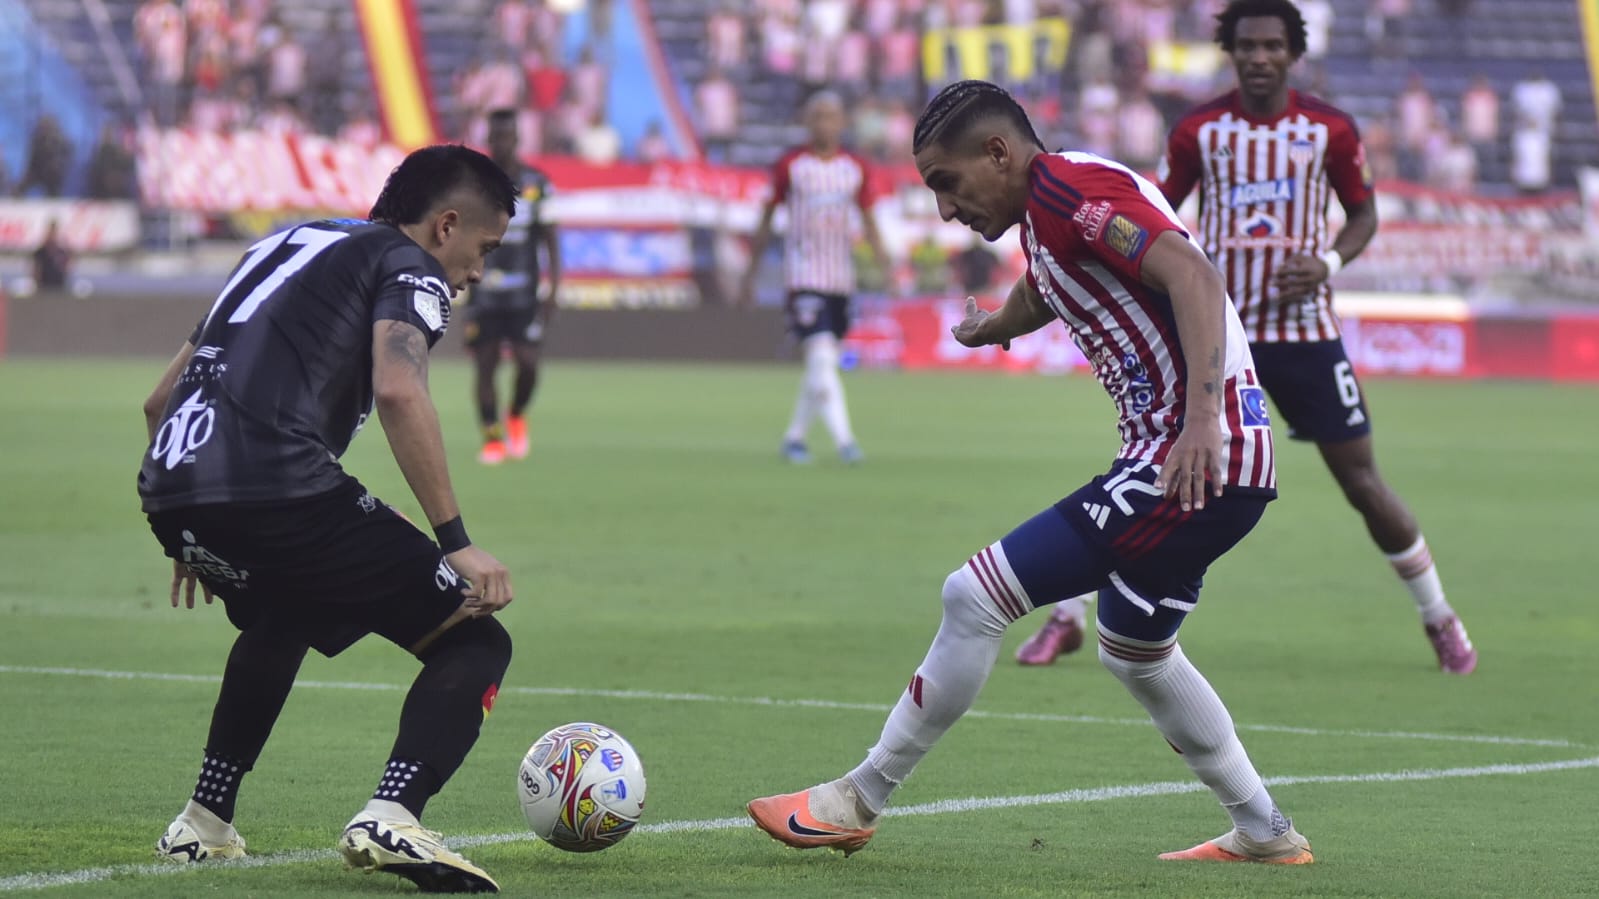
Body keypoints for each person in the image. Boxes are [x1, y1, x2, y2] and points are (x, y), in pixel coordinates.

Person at [748, 79, 1313, 865]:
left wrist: (1196, 421)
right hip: (1214, 460)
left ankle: (857, 796)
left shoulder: (1068, 195)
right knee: (1135, 650)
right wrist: (993, 327)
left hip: (1188, 457)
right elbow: (1047, 284)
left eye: (946, 183)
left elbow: (1190, 273)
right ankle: (1264, 830)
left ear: (998, 152)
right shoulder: (1052, 213)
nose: (945, 208)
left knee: (974, 593)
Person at [1017, 0, 1477, 674]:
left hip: (1304, 334)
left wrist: (1325, 263)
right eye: (1246, 46)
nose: (1259, 57)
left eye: (1271, 46)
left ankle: (1438, 616)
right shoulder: (1199, 131)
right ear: (1229, 52)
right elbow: (1155, 212)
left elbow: (1363, 213)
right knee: (1150, 471)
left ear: (1292, 53)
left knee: (1361, 481)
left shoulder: (1330, 129)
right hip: (1215, 336)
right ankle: (1067, 617)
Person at [139, 144, 518, 893]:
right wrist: (457, 543)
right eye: (485, 248)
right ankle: (393, 812)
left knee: (286, 608)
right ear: (446, 225)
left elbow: (160, 400)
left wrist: (193, 514)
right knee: (474, 635)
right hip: (276, 485)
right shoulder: (411, 267)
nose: (478, 271)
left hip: (174, 483)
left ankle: (203, 821)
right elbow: (401, 391)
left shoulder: (283, 241)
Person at [739, 90, 892, 465]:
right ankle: (845, 442)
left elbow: (870, 219)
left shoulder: (854, 168)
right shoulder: (791, 165)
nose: (824, 123)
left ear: (842, 122)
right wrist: (751, 273)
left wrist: (885, 264)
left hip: (840, 279)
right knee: (822, 359)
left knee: (820, 364)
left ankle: (794, 438)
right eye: (817, 116)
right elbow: (766, 217)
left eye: (830, 116)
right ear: (807, 122)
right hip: (804, 276)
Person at [465, 108, 561, 464]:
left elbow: (551, 238)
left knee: (528, 363)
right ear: (488, 140)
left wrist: (554, 289)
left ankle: (517, 413)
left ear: (517, 139)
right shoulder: (476, 185)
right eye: (496, 136)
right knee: (485, 364)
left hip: (524, 293)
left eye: (507, 136)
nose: (501, 142)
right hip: (484, 290)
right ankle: (491, 438)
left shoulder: (537, 183)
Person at [32, 220, 71, 293]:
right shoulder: (40, 252)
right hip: (44, 287)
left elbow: (67, 267)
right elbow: (36, 270)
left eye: (54, 233)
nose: (52, 236)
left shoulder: (61, 252)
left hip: (58, 287)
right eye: (50, 233)